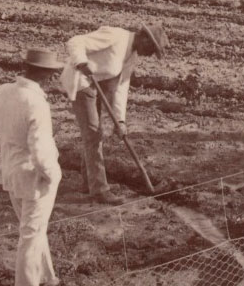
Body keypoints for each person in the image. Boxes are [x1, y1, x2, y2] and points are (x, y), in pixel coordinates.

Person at [0, 48, 66, 286]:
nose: (54, 80)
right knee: (30, 235)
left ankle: (49, 278)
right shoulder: (36, 103)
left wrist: (12, 147)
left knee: (33, 229)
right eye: (53, 74)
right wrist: (53, 175)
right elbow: (40, 150)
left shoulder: (3, 91)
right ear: (44, 75)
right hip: (34, 177)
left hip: (10, 172)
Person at [61, 22, 168, 200]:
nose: (150, 54)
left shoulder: (131, 57)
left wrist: (120, 121)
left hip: (96, 87)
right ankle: (100, 191)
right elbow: (75, 41)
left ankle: (89, 183)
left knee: (93, 134)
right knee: (93, 134)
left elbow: (121, 88)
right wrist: (81, 61)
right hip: (80, 82)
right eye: (152, 48)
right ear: (144, 38)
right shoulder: (115, 36)